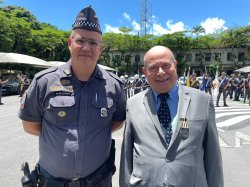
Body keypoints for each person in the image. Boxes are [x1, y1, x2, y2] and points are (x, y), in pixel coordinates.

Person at [18, 6, 126, 187]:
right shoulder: (44, 81)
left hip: (98, 181)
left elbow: (116, 123)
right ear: (69, 43)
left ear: (100, 48)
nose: (86, 47)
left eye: (93, 43)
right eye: (80, 40)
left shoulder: (114, 85)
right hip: (52, 182)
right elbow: (30, 125)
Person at [119, 46, 223, 187]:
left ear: (175, 65)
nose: (161, 72)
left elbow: (213, 157)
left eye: (166, 65)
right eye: (153, 68)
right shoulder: (132, 104)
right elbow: (126, 157)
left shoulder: (202, 100)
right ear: (145, 71)